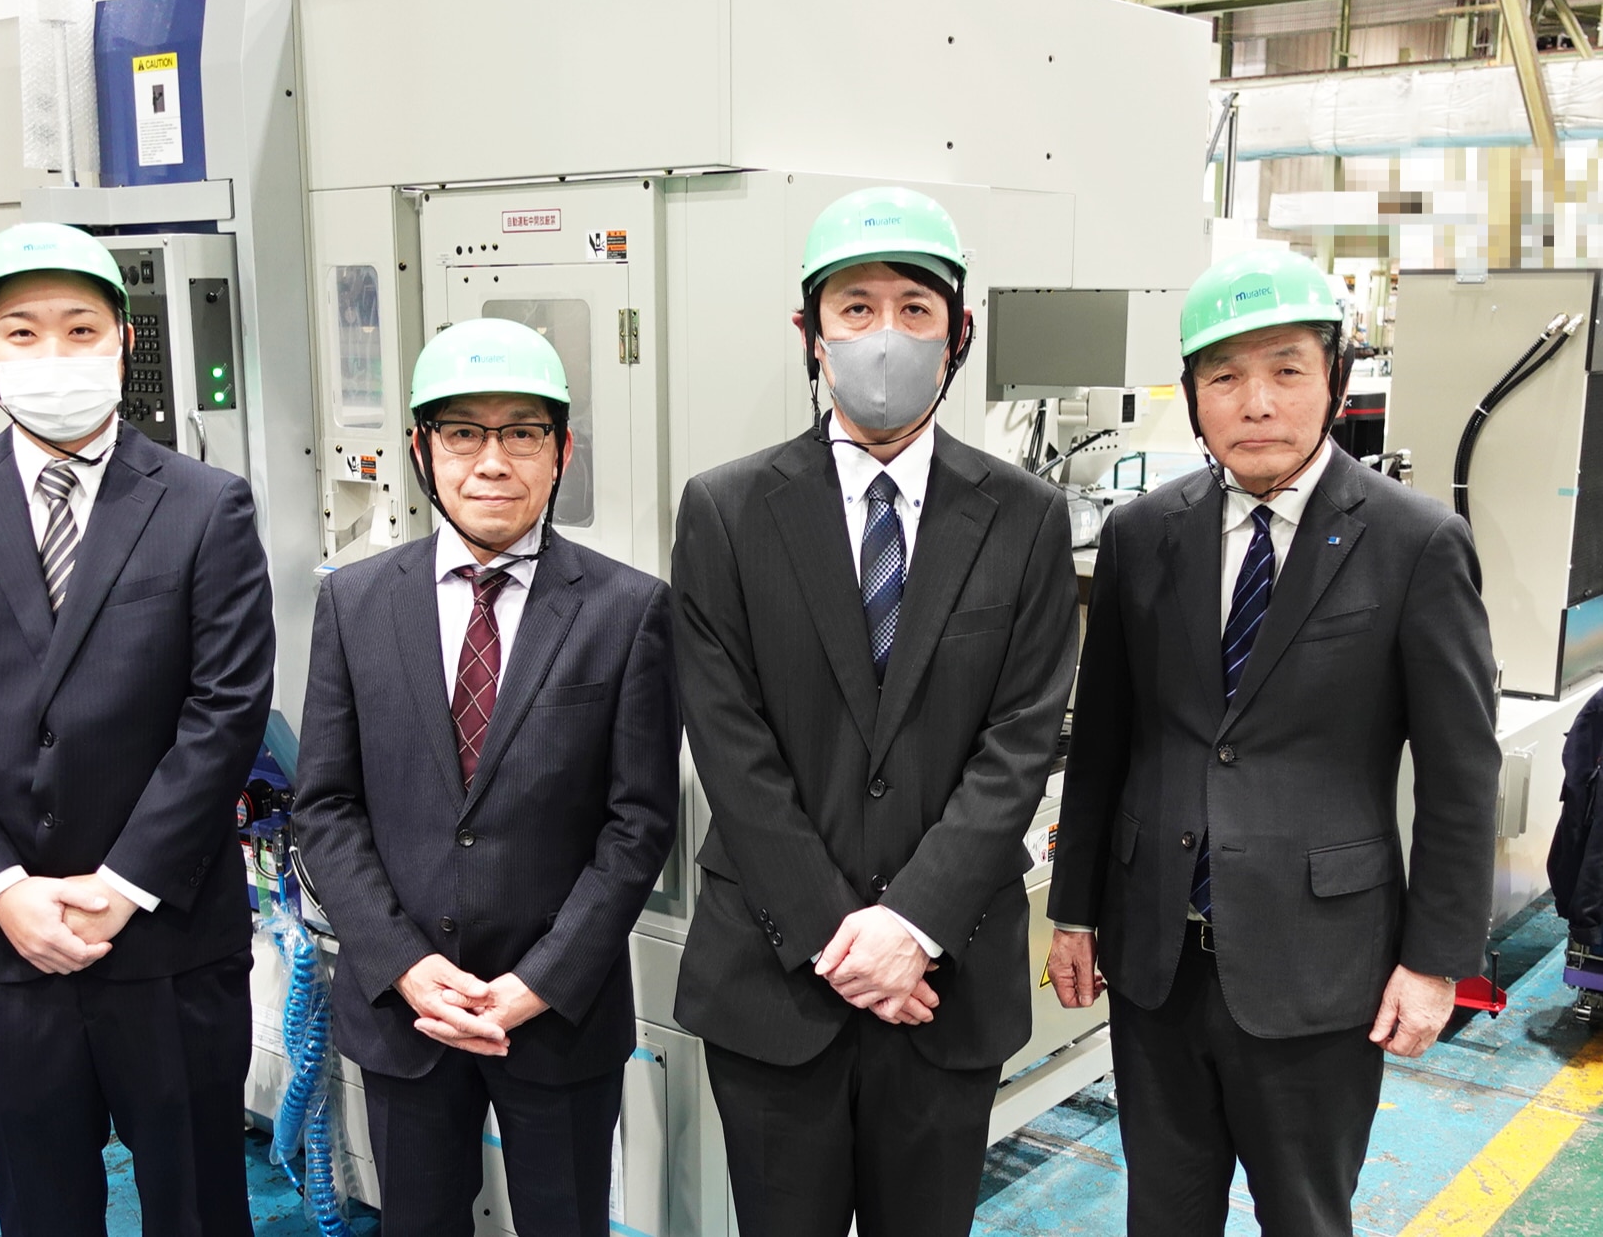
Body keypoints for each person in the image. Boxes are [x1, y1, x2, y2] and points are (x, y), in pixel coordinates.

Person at [1046, 246, 1502, 1236]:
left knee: (1305, 1214)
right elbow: (1105, 741)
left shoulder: (1414, 542)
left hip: (1319, 963)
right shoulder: (1141, 535)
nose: (1256, 403)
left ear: (1334, 378)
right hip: (1156, 956)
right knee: (1164, 1211)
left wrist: (1436, 962)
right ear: (1194, 396)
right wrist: (1074, 910)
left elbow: (1462, 774)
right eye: (1224, 377)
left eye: (1286, 370)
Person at [670, 187, 1078, 1236]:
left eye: (914, 308)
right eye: (854, 308)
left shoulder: (1025, 518)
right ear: (809, 333)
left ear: (958, 332)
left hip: (946, 978)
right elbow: (730, 743)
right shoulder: (726, 510)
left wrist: (912, 926)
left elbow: (1019, 742)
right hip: (775, 976)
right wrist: (839, 939)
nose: (884, 335)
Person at [0, 222, 275, 1237]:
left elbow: (225, 708)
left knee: (197, 1203)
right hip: (7, 946)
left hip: (167, 937)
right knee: (39, 1204)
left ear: (124, 342)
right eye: (24, 330)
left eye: (80, 328)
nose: (53, 353)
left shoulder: (205, 505)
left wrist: (123, 885)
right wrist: (1, 890)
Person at [294, 317, 679, 1237]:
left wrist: (539, 981)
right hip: (406, 1011)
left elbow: (637, 824)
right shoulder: (355, 602)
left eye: (523, 433)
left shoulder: (626, 610)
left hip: (557, 1013)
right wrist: (404, 965)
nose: (492, 462)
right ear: (422, 451)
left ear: (562, 452)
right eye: (463, 433)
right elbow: (326, 806)